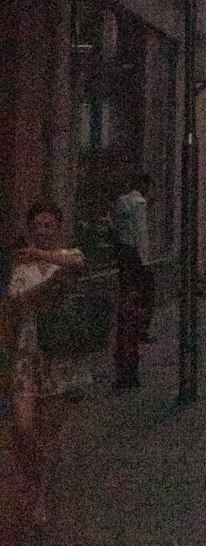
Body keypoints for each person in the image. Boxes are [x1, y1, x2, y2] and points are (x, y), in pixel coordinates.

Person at [7, 203, 89, 533]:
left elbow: (78, 261)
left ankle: (40, 496)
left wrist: (44, 258)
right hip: (28, 357)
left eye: (49, 225)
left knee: (51, 434)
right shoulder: (20, 268)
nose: (43, 230)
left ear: (58, 227)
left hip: (60, 358)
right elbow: (20, 303)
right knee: (25, 428)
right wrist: (48, 288)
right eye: (38, 225)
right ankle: (31, 482)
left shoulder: (68, 256)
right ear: (29, 229)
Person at [111, 171, 155, 389]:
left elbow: (117, 229)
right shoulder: (139, 203)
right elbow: (141, 234)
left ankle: (124, 364)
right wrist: (145, 262)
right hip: (136, 259)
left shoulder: (121, 202)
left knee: (125, 307)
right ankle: (130, 367)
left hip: (123, 254)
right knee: (136, 306)